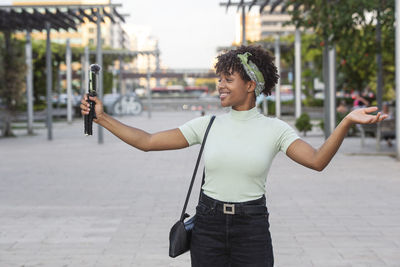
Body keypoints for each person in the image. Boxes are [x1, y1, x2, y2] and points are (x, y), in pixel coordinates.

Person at [80, 45, 387, 267]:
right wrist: (103, 118)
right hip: (207, 226)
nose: (220, 86)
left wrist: (346, 122)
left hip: (251, 227)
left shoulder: (275, 129)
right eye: (220, 79)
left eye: (228, 79)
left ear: (251, 85)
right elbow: (147, 141)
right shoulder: (208, 124)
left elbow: (318, 161)